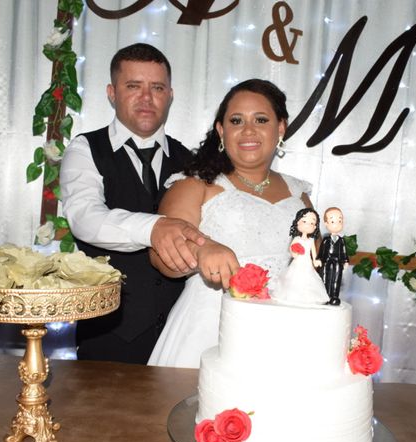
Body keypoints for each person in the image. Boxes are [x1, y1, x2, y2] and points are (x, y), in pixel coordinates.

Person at [147, 79, 314, 368]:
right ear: (222, 131)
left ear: (281, 128)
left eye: (261, 119)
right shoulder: (196, 184)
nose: (248, 130)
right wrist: (200, 252)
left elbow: (312, 264)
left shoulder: (300, 195)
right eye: (236, 120)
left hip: (286, 333)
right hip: (209, 329)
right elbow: (161, 256)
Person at [60, 43, 204, 364]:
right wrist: (155, 228)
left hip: (181, 338)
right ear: (112, 93)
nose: (146, 97)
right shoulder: (85, 149)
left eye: (157, 87)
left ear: (170, 94)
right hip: (108, 336)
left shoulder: (192, 161)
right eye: (133, 86)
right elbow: (85, 218)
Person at [271, 207, 329, 305]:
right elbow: (291, 249)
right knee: (294, 278)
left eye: (312, 223)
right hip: (298, 261)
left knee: (308, 279)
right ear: (297, 222)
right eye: (304, 221)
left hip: (307, 263)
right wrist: (294, 252)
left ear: (315, 227)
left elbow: (314, 253)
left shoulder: (311, 241)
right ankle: (292, 295)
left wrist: (316, 261)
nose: (308, 225)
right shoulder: (297, 238)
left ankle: (307, 297)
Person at [317, 207, 349, 305]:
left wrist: (346, 261)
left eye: (340, 221)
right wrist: (319, 259)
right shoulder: (326, 240)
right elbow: (321, 251)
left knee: (336, 279)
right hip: (326, 261)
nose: (336, 224)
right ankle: (325, 296)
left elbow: (344, 252)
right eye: (332, 221)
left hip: (337, 262)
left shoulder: (341, 241)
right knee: (325, 278)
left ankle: (334, 296)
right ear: (326, 223)